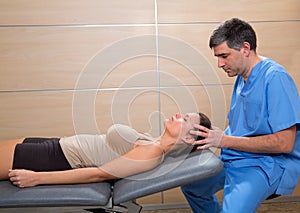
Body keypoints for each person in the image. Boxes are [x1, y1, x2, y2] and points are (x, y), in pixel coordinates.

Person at [181, 18, 300, 213]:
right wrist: (212, 137)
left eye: (224, 56)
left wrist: (225, 140)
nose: (219, 64)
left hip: (264, 164)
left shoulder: (275, 78)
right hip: (235, 157)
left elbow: (284, 143)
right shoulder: (242, 77)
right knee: (193, 187)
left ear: (245, 48)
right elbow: (246, 125)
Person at [0, 112, 211, 188]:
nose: (178, 114)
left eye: (184, 119)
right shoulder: (152, 141)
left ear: (187, 138)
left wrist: (37, 178)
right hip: (58, 145)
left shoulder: (153, 152)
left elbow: (99, 174)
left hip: (56, 158)